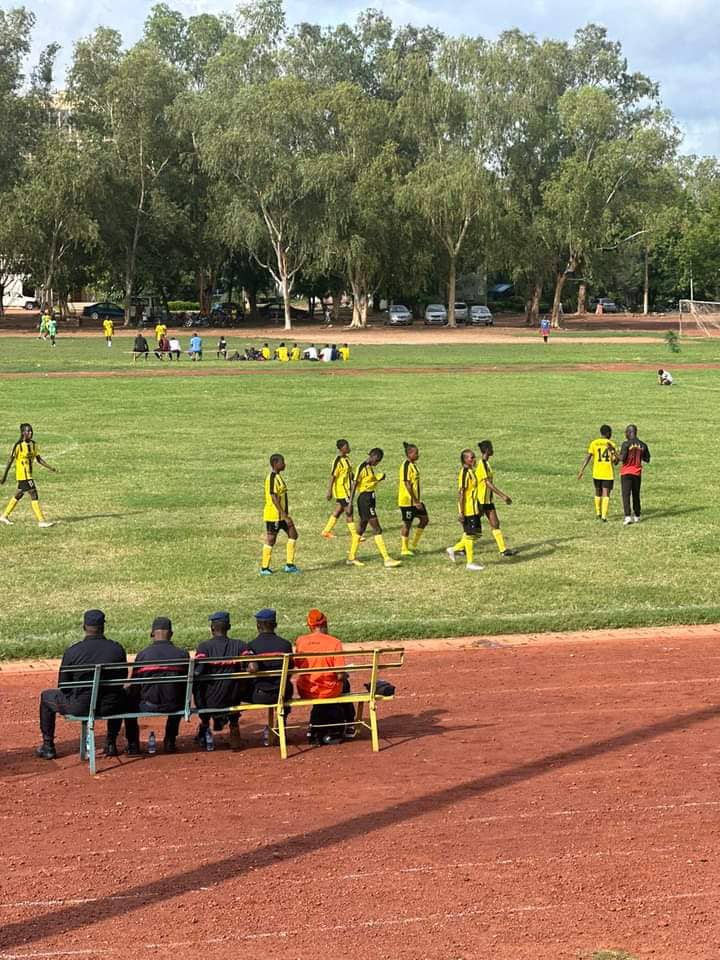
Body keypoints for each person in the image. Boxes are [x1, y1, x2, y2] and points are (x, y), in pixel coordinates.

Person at [35, 609, 137, 759]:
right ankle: (111, 743)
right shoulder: (117, 649)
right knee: (119, 694)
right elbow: (121, 678)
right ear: (103, 627)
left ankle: (48, 746)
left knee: (46, 697)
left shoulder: (73, 651)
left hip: (80, 707)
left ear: (84, 627)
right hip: (112, 706)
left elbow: (64, 686)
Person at [129, 617, 189, 753]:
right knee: (179, 695)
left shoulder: (143, 655)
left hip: (148, 705)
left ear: (152, 634)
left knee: (127, 702)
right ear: (171, 634)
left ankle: (133, 744)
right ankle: (170, 740)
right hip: (174, 705)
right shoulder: (182, 654)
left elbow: (135, 686)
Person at [294, 609, 354, 745]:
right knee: (345, 684)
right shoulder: (334, 643)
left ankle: (319, 728)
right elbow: (340, 675)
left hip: (307, 690)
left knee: (335, 687)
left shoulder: (301, 641)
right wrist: (345, 674)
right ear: (325, 624)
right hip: (329, 691)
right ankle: (349, 722)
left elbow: (298, 665)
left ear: (310, 626)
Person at [194, 611, 252, 750]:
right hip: (233, 698)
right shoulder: (241, 645)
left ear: (212, 628)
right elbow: (251, 667)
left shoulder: (204, 647)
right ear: (229, 627)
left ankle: (205, 724)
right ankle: (234, 725)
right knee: (239, 682)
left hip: (210, 701)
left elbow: (198, 672)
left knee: (197, 685)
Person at [347, 448, 401, 568]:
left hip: (369, 499)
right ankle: (386, 559)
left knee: (361, 529)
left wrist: (377, 478)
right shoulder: (362, 467)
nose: (377, 463)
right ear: (373, 456)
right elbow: (355, 484)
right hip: (365, 500)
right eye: (378, 460)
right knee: (377, 529)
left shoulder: (369, 467)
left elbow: (367, 482)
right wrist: (350, 504)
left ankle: (351, 557)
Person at [248, 608, 293, 746]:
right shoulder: (285, 645)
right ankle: (281, 724)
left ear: (258, 626)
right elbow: (290, 670)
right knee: (287, 685)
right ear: (275, 625)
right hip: (283, 694)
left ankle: (234, 728)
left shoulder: (251, 645)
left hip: (260, 695)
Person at [1, 423, 57, 528]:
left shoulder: (33, 444)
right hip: (23, 475)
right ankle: (41, 521)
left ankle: (4, 516)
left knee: (19, 494)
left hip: (28, 474)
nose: (30, 433)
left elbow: (38, 459)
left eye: (31, 431)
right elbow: (10, 461)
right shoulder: (18, 446)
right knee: (34, 494)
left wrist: (50, 468)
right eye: (28, 431)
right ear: (23, 433)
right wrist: (4, 476)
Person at [475, 440, 518, 557]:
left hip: (488, 500)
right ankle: (459, 548)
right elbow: (487, 483)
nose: (493, 450)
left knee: (495, 523)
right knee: (473, 529)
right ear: (487, 450)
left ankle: (503, 550)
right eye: (491, 448)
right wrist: (502, 496)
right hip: (481, 500)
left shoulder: (486, 464)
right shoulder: (482, 464)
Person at [261, 453, 300, 575]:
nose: (284, 464)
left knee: (293, 534)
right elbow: (273, 498)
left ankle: (289, 565)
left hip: (282, 515)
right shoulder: (272, 478)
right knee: (271, 540)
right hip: (274, 516)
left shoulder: (278, 477)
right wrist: (284, 515)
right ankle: (264, 568)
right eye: (282, 462)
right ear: (275, 464)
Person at [446, 448, 484, 571]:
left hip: (474, 508)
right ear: (465, 460)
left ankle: (454, 549)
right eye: (471, 457)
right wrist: (461, 512)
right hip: (468, 509)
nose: (474, 459)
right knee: (470, 535)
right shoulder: (464, 473)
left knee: (477, 534)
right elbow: (461, 493)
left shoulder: (471, 471)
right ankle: (470, 562)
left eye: (474, 457)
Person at [577, 424, 618, 521]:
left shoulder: (594, 443)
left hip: (597, 472)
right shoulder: (611, 444)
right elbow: (615, 462)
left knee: (597, 491)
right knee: (605, 493)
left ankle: (598, 512)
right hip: (607, 473)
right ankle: (603, 516)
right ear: (608, 433)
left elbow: (588, 457)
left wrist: (581, 470)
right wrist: (613, 453)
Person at [398, 442, 429, 557]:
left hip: (416, 501)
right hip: (408, 502)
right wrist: (415, 501)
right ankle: (404, 549)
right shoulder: (405, 466)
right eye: (416, 453)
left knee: (425, 519)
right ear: (409, 454)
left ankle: (414, 544)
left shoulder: (413, 465)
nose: (418, 455)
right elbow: (407, 484)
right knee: (407, 524)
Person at [322, 439, 355, 540]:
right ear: (341, 449)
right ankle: (355, 535)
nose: (348, 448)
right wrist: (329, 491)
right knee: (349, 511)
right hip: (341, 490)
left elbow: (349, 473)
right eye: (346, 447)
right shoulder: (337, 461)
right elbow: (333, 476)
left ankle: (326, 531)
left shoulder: (347, 459)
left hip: (347, 489)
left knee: (338, 510)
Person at [619, 424, 651, 525]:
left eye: (626, 432)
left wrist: (614, 452)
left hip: (626, 473)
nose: (625, 434)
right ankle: (637, 515)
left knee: (626, 495)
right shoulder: (643, 445)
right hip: (637, 473)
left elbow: (622, 458)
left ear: (629, 432)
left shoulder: (626, 444)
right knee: (636, 494)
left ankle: (628, 516)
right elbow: (647, 459)